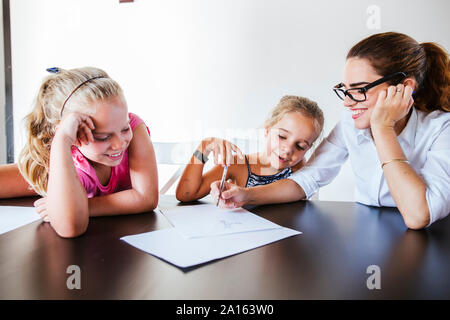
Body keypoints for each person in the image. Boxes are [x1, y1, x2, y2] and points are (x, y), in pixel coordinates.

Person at [211, 32, 450, 230]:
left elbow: (419, 216)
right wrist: (246, 195)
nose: (347, 102)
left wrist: (383, 128)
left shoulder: (442, 129)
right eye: (345, 90)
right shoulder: (350, 122)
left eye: (359, 90)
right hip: (368, 233)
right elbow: (308, 178)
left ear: (404, 87)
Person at [0, 67, 158, 237]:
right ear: (72, 135)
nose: (119, 144)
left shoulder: (136, 127)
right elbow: (70, 226)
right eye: (103, 137)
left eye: (125, 128)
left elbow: (146, 198)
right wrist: (62, 140)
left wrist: (85, 206)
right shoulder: (62, 158)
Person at [175, 95, 324, 202]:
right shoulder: (238, 164)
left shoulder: (298, 168)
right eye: (282, 137)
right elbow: (185, 194)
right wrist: (204, 147)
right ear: (267, 130)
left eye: (300, 146)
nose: (288, 150)